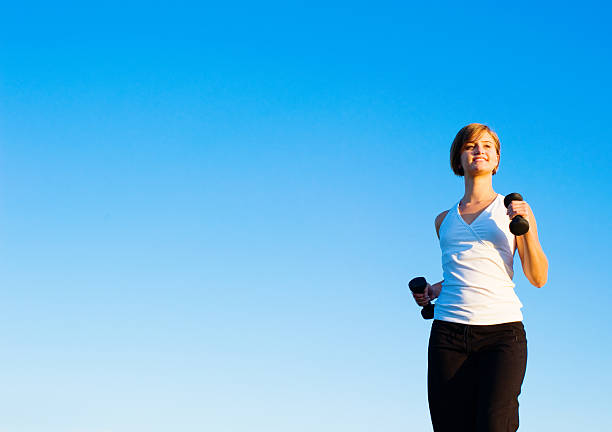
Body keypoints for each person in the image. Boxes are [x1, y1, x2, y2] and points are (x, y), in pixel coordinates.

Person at [412, 123, 548, 432]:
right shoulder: (443, 220)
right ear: (458, 159)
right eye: (471, 145)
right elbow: (468, 271)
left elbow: (538, 278)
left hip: (501, 335)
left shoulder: (514, 211)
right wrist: (434, 289)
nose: (479, 150)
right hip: (448, 334)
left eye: (487, 146)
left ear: (497, 160)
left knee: (494, 425)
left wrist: (526, 229)